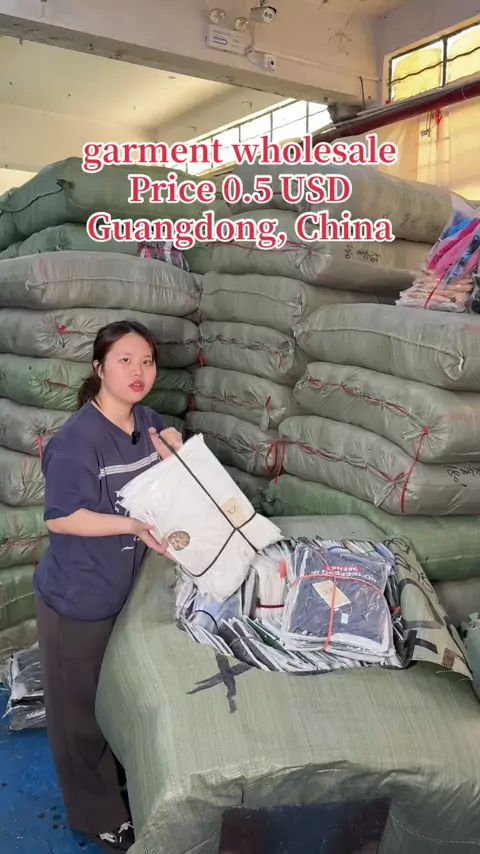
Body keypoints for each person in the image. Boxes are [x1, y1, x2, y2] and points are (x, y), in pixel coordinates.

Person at [33, 320, 184, 852]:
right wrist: (133, 526)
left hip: (127, 593)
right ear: (99, 368)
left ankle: (117, 785)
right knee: (79, 717)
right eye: (125, 360)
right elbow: (62, 517)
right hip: (79, 599)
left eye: (146, 361)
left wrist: (176, 449)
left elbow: (164, 472)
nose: (139, 371)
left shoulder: (148, 421)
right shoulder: (77, 442)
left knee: (117, 697)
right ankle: (95, 814)